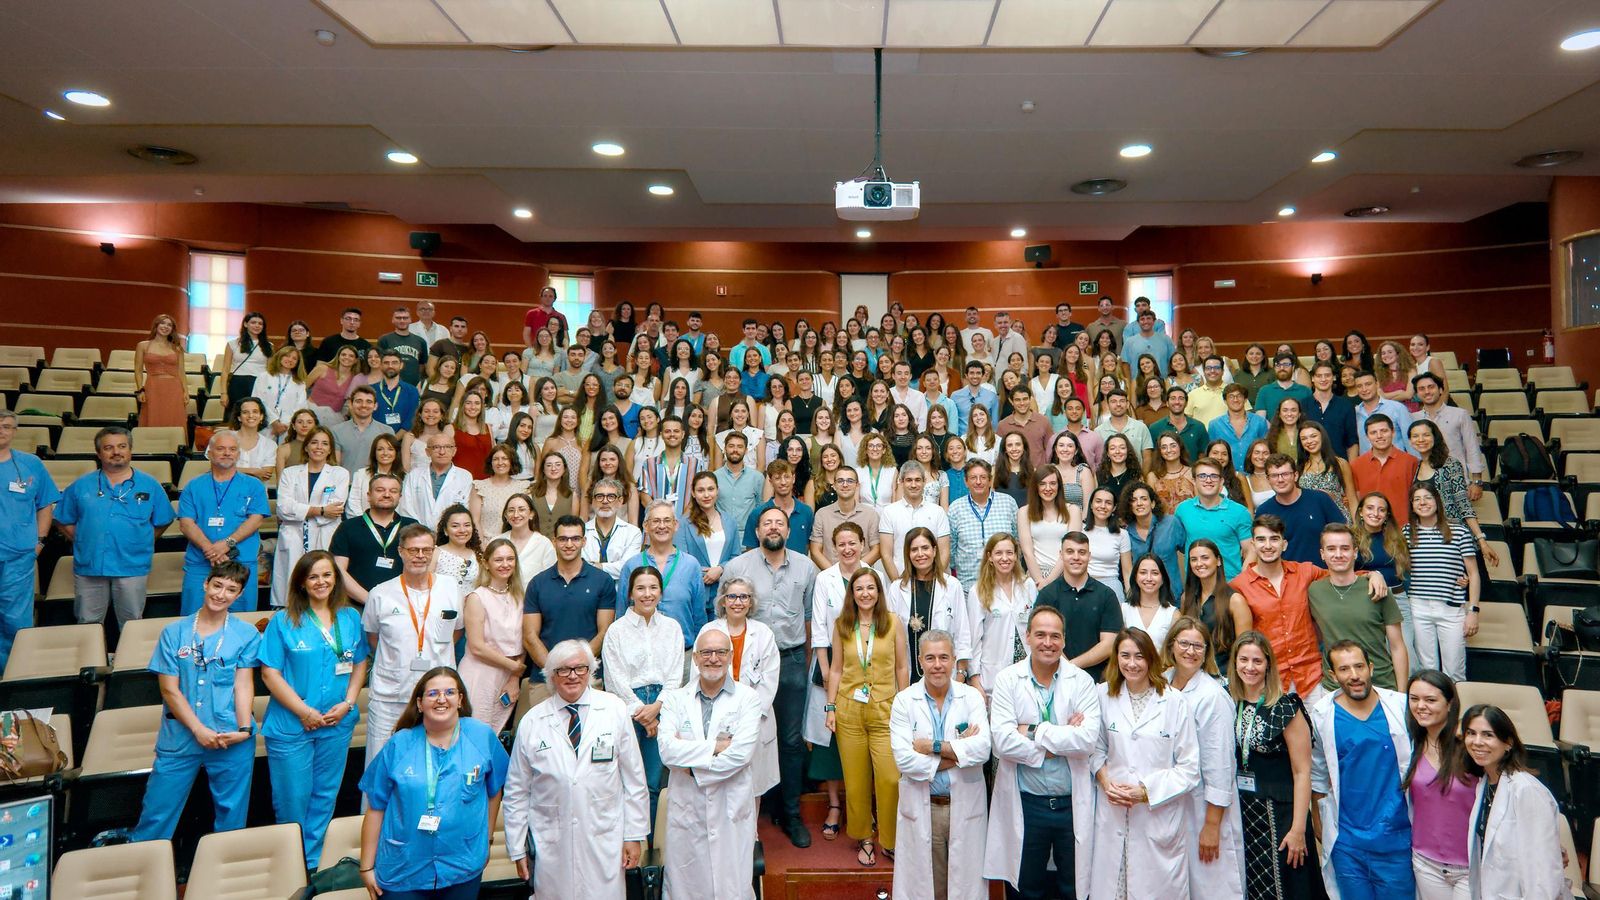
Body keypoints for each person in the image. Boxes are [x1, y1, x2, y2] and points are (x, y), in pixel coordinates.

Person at [503, 638, 647, 897]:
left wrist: (634, 835)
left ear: (590, 672)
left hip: (605, 838)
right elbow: (516, 792)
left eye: (580, 668)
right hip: (551, 845)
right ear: (551, 676)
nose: (572, 676)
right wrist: (516, 847)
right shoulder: (532, 721)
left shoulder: (614, 709)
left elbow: (634, 780)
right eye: (563, 670)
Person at [129, 561, 260, 843]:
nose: (221, 594)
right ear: (205, 584)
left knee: (232, 819)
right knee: (157, 814)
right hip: (181, 737)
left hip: (231, 736)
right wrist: (199, 730)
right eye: (217, 585)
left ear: (239, 595)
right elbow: (169, 691)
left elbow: (243, 684)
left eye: (231, 589)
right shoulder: (174, 633)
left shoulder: (246, 635)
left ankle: (224, 877)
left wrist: (245, 729)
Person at [358, 666, 509, 900]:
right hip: (404, 869)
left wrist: (486, 839)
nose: (441, 699)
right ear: (419, 703)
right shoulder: (400, 745)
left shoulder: (481, 736)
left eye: (450, 692)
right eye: (432, 694)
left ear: (460, 699)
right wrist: (366, 867)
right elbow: (376, 808)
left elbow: (494, 789)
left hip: (462, 866)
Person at [259, 550, 369, 868]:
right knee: (293, 800)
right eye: (313, 576)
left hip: (336, 723)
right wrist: (303, 712)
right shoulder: (283, 621)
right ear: (302, 583)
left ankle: (312, 862)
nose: (321, 582)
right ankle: (290, 863)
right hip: (293, 726)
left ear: (336, 580)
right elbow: (270, 674)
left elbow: (360, 663)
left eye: (327, 575)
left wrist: (348, 703)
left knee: (325, 795)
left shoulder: (350, 618)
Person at [984, 605, 1100, 900]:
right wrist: (1062, 740)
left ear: (1064, 641)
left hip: (1070, 804)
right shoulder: (1008, 680)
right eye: (1040, 635)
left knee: (1072, 889)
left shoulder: (1082, 682)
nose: (1047, 642)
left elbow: (1086, 741)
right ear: (1028, 637)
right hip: (1027, 802)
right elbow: (1002, 743)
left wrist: (1032, 732)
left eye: (1055, 636)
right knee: (1026, 888)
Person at [721, 505, 819, 846]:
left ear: (789, 531)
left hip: (790, 659)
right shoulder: (738, 566)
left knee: (791, 741)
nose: (773, 528)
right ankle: (751, 815)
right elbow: (725, 612)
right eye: (767, 523)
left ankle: (790, 814)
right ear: (757, 530)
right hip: (749, 662)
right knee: (750, 735)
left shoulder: (806, 567)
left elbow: (809, 618)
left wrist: (806, 664)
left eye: (780, 523)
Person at [1088, 627, 1200, 899]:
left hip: (1156, 818)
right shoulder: (1103, 695)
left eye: (1139, 656)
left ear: (1151, 658)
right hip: (1113, 812)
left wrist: (1146, 792)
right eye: (1124, 655)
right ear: (1116, 659)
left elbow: (1189, 768)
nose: (1132, 663)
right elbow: (1095, 748)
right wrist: (1104, 780)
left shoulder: (1174, 701)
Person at [658, 628, 762, 900]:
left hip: (730, 811)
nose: (712, 658)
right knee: (688, 886)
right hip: (687, 811)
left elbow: (740, 756)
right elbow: (668, 751)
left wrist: (691, 766)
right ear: (695, 658)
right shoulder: (674, 699)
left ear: (730, 657)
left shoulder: (748, 699)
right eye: (705, 652)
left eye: (720, 652)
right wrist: (714, 748)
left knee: (732, 887)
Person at [890, 630, 992, 900]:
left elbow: (982, 749)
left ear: (955, 660)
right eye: (931, 658)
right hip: (926, 807)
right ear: (920, 661)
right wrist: (957, 755)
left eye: (944, 657)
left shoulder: (971, 698)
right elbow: (904, 759)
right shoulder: (903, 701)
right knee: (928, 890)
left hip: (965, 805)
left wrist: (932, 747)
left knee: (964, 888)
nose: (938, 665)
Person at [1308, 641, 1415, 899]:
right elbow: (1319, 776)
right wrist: (1318, 819)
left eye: (1359, 667)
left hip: (1397, 840)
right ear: (1332, 676)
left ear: (1371, 667)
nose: (1354, 676)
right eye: (1344, 669)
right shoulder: (1322, 715)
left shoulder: (1401, 707)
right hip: (1348, 843)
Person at [825, 567, 910, 868]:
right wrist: (830, 707)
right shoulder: (842, 625)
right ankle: (864, 837)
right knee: (857, 780)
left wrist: (905, 705)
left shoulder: (893, 623)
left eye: (870, 588)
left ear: (879, 592)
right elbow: (835, 669)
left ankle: (890, 840)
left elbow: (902, 667)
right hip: (849, 710)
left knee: (889, 777)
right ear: (852, 594)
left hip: (886, 709)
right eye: (859, 588)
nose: (865, 594)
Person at [361, 524, 465, 765]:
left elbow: (457, 631)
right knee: (381, 764)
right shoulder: (380, 593)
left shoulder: (450, 588)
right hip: (391, 697)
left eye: (426, 550)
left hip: (438, 698)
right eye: (413, 550)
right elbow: (373, 639)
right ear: (401, 551)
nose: (420, 556)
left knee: (435, 764)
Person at [54, 425, 172, 628]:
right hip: (90, 566)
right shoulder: (81, 485)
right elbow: (62, 518)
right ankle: (91, 660)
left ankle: (127, 660)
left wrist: (142, 540)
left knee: (132, 624)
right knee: (87, 623)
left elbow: (164, 520)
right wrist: (82, 538)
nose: (116, 452)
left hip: (131, 566)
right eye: (108, 447)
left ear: (130, 450)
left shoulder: (150, 485)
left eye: (122, 446)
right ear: (98, 453)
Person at [1230, 631, 1318, 900]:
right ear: (1234, 663)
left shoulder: (1284, 707)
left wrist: (1299, 829)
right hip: (1245, 814)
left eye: (1257, 661)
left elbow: (1302, 772)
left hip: (1282, 816)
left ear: (1268, 664)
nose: (1250, 667)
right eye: (1243, 660)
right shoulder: (1229, 702)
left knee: (1292, 888)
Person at [1162, 618, 1246, 899]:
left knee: (1211, 887)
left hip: (1204, 810)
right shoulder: (1161, 683)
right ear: (1171, 645)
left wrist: (1211, 826)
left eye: (1198, 646)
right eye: (1184, 643)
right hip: (1171, 808)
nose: (1191, 651)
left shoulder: (1212, 696)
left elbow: (1220, 765)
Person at [602, 565, 684, 837]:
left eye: (653, 588)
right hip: (627, 708)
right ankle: (622, 844)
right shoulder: (616, 631)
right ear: (630, 593)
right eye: (640, 588)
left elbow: (675, 675)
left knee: (651, 782)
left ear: (661, 592)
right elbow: (615, 679)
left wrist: (657, 710)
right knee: (623, 780)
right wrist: (643, 712)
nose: (647, 594)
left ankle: (647, 847)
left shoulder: (672, 628)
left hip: (663, 706)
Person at [1462, 704, 1568, 900]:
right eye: (1471, 733)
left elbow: (1543, 873)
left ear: (1508, 742)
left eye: (1488, 735)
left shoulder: (1527, 790)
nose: (1477, 742)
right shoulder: (1485, 784)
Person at [691, 578, 780, 804]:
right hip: (716, 716)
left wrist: (748, 716)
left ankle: (752, 836)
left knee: (753, 784)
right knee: (720, 782)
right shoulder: (709, 631)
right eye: (732, 597)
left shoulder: (764, 634)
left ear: (751, 602)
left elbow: (769, 680)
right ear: (723, 601)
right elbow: (697, 675)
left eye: (744, 597)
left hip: (754, 717)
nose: (737, 602)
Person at [522, 515, 614, 711]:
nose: (569, 544)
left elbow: (605, 632)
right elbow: (530, 636)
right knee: (544, 739)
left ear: (584, 541)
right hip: (544, 679)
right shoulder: (538, 583)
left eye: (575, 538)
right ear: (554, 541)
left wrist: (578, 668)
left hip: (588, 678)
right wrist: (556, 670)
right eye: (563, 539)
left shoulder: (602, 580)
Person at [176, 431, 269, 614]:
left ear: (238, 454)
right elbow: (186, 523)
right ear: (209, 453)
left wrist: (227, 544)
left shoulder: (254, 485)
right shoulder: (193, 486)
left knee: (242, 622)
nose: (227, 453)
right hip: (201, 564)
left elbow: (256, 519)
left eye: (232, 449)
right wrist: (211, 550)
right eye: (221, 449)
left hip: (241, 563)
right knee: (193, 619)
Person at [1404, 670, 1478, 900]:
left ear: (1450, 704)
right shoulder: (1408, 744)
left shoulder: (1471, 746)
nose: (1421, 706)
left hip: (1470, 865)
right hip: (1426, 862)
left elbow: (1512, 791)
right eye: (1414, 699)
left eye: (1430, 700)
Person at [1311, 524, 1409, 692]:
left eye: (1345, 548)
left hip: (1379, 684)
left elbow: (1397, 646)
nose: (1338, 554)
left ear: (1355, 552)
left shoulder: (1377, 589)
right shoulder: (1314, 591)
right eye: (1331, 549)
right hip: (1335, 688)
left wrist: (1401, 695)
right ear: (1322, 554)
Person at [1404, 483, 1479, 680]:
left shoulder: (1459, 531)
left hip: (1451, 609)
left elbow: (1474, 574)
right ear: (1412, 505)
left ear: (1437, 500)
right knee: (1427, 670)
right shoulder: (1406, 533)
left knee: (1454, 671)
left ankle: (1455, 710)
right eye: (1417, 499)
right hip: (1418, 607)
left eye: (1427, 497)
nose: (1423, 502)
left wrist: (1473, 611)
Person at [270, 426, 350, 607]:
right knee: (290, 591)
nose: (318, 447)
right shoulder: (290, 473)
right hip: (293, 536)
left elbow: (334, 510)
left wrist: (301, 511)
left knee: (323, 587)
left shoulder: (340, 474)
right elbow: (283, 508)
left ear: (330, 449)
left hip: (325, 533)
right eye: (314, 442)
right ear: (306, 447)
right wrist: (320, 510)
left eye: (324, 443)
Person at [1034, 531, 1123, 681]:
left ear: (1089, 556)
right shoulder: (1047, 595)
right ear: (1061, 555)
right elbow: (1040, 638)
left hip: (1097, 683)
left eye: (1081, 552)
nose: (1076, 557)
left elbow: (1109, 644)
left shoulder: (1106, 595)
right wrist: (1064, 670)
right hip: (1054, 679)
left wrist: (1071, 667)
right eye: (1070, 552)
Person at [457, 537, 525, 732]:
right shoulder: (477, 598)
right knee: (475, 733)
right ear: (486, 564)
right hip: (480, 675)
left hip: (508, 676)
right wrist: (515, 667)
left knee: (496, 736)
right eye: (498, 560)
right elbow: (477, 647)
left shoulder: (520, 596)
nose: (505, 564)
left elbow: (524, 639)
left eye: (510, 559)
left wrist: (514, 677)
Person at [330, 473, 417, 604]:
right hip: (356, 605)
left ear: (400, 497)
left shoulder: (412, 527)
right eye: (380, 490)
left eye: (393, 491)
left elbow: (422, 566)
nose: (387, 494)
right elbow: (338, 570)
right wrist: (371, 601)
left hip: (402, 605)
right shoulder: (348, 527)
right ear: (369, 495)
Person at [1255, 452, 1348, 563]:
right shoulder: (1264, 511)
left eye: (1285, 474)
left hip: (1323, 574)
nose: (1280, 480)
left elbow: (1343, 534)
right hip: (1286, 577)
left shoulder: (1320, 499)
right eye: (1274, 475)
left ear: (1296, 476)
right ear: (1268, 479)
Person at [1175, 457, 1255, 580]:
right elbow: (1180, 545)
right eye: (1202, 476)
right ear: (1194, 480)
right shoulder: (1183, 510)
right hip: (1195, 585)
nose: (1208, 480)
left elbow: (1250, 550)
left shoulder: (1239, 512)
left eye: (1214, 476)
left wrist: (1242, 580)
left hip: (1229, 584)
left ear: (1221, 481)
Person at [1413, 372, 1487, 497]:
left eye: (1431, 387)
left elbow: (1472, 448)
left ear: (1441, 390)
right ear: (1417, 394)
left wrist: (1477, 482)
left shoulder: (1460, 414)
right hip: (1424, 485)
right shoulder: (1413, 419)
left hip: (1456, 482)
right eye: (1421, 389)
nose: (1427, 392)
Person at [878, 461, 950, 580]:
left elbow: (944, 552)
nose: (913, 485)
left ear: (924, 482)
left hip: (932, 581)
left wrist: (933, 582)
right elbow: (886, 554)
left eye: (917, 480)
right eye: (909, 480)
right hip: (899, 580)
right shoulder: (889, 512)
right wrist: (898, 585)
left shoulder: (938, 512)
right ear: (901, 482)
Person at [1351, 414, 1421, 526]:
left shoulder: (1411, 462)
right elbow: (1356, 499)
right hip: (1370, 529)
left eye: (1384, 431)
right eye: (1373, 432)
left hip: (1404, 529)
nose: (1379, 436)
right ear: (1367, 437)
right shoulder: (1356, 465)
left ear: (1393, 432)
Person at [810, 466, 882, 569]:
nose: (845, 485)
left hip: (862, 578)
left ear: (857, 485)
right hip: (830, 578)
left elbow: (877, 549)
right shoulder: (822, 514)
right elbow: (815, 551)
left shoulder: (870, 514)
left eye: (850, 481)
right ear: (834, 485)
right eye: (840, 481)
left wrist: (856, 572)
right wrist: (835, 575)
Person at [400, 432, 473, 529]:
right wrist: (420, 532)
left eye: (447, 447)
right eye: (436, 447)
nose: (442, 452)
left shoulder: (464, 476)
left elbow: (465, 509)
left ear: (454, 451)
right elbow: (406, 507)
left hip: (451, 535)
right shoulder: (414, 475)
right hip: (418, 535)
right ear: (427, 452)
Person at [744, 458, 814, 553]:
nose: (783, 482)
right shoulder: (757, 513)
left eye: (787, 477)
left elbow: (807, 546)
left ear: (793, 479)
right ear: (770, 481)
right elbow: (750, 551)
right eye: (777, 478)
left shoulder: (806, 512)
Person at [134, 313, 189, 426]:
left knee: (173, 420)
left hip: (174, 388)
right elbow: (138, 370)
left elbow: (181, 372)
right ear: (156, 325)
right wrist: (140, 390)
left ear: (172, 329)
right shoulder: (143, 346)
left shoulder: (177, 348)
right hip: (153, 387)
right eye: (162, 323)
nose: (166, 326)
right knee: (153, 419)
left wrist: (186, 392)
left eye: (169, 325)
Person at [330, 385, 394, 470]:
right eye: (359, 401)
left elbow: (391, 465)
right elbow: (335, 466)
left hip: (376, 482)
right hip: (346, 482)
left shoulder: (387, 431)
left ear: (375, 406)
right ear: (351, 404)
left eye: (369, 401)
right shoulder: (336, 431)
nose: (364, 405)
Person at [1305, 362, 1360, 461]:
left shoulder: (1346, 406)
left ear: (1334, 377)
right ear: (1312, 378)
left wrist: (1351, 470)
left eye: (1327, 375)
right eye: (1319, 376)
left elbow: (1352, 442)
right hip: (1309, 467)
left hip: (1339, 466)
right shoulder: (1303, 405)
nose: (1323, 379)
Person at [221, 311, 271, 413]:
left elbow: (270, 371)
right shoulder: (232, 344)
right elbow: (225, 370)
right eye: (253, 322)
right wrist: (223, 393)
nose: (257, 326)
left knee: (257, 415)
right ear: (245, 324)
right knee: (236, 415)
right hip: (238, 383)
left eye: (260, 323)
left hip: (259, 383)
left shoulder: (269, 346)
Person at [372, 348, 422, 431]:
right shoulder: (370, 390)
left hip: (402, 441)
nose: (390, 366)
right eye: (386, 363)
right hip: (374, 439)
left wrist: (393, 440)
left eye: (394, 363)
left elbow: (410, 420)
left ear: (401, 365)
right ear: (380, 365)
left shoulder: (412, 391)